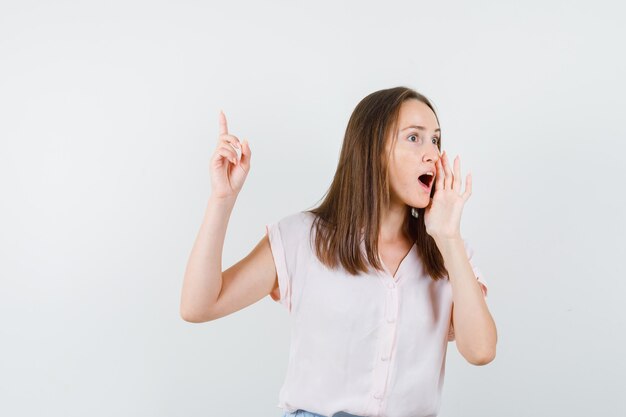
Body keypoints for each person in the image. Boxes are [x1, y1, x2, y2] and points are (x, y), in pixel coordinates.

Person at [180, 86, 497, 417]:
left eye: (435, 139)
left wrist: (448, 238)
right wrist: (222, 199)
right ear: (372, 149)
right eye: (414, 138)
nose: (433, 153)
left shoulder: (448, 254)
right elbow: (199, 305)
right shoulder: (302, 238)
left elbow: (481, 350)